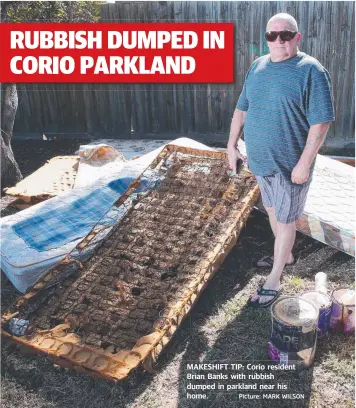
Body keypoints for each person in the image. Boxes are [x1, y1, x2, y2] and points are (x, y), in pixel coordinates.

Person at [227, 13, 335, 307]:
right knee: (272, 210)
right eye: (271, 35)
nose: (278, 41)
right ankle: (285, 256)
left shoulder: (311, 70)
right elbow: (242, 108)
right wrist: (231, 144)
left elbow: (321, 122)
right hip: (260, 160)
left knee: (286, 220)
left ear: (297, 38)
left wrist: (304, 163)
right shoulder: (257, 66)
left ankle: (274, 279)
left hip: (290, 165)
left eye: (285, 35)